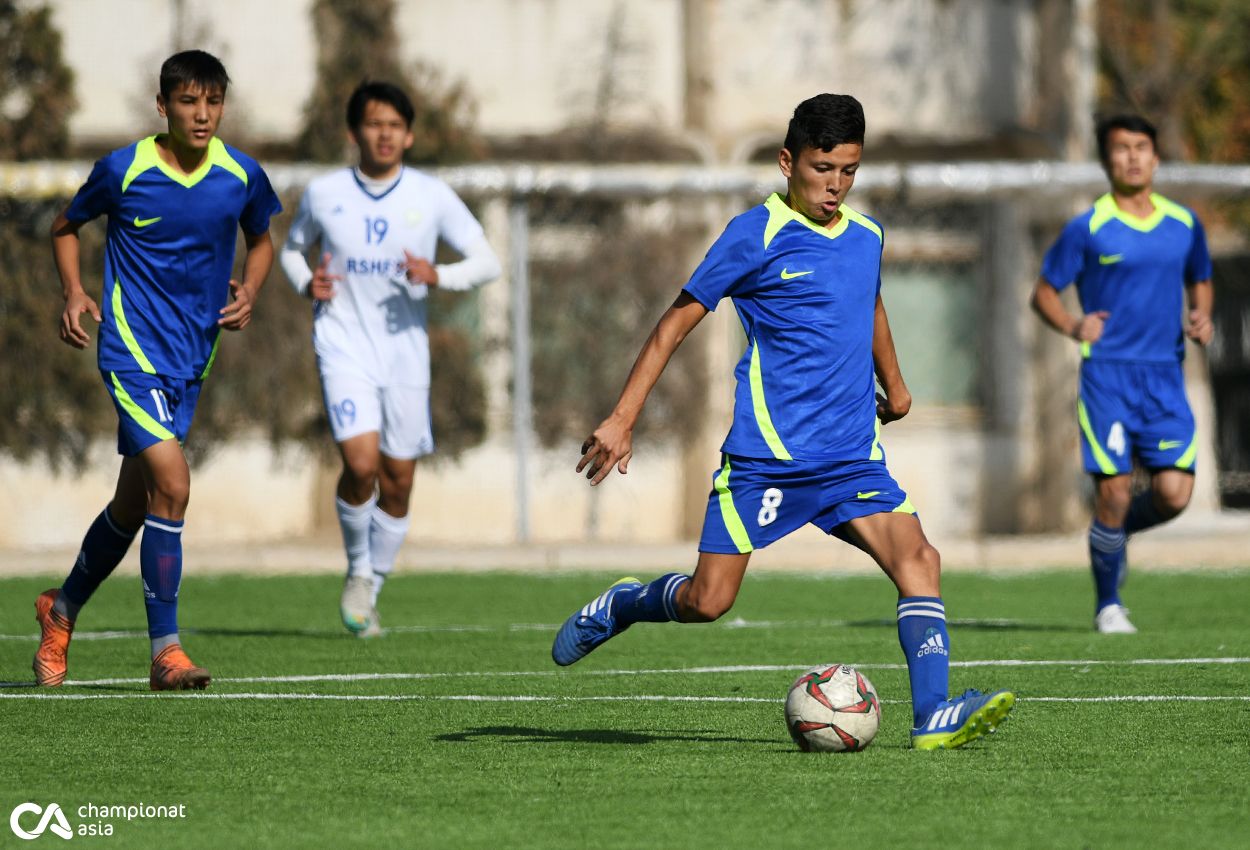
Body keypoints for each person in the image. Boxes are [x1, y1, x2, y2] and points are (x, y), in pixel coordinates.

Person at [552, 94, 1015, 750]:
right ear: (787, 162)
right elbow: (673, 324)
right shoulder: (755, 235)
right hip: (768, 460)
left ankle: (932, 713)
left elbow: (871, 302)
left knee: (921, 559)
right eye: (823, 168)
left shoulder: (866, 236)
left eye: (849, 171)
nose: (835, 185)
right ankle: (626, 604)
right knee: (708, 602)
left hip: (851, 457)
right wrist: (623, 418)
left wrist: (899, 384)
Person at [35, 50, 282, 689]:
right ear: (163, 105)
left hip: (191, 358)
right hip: (129, 351)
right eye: (188, 102)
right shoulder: (124, 169)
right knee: (172, 484)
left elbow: (262, 238)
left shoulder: (240, 174)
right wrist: (73, 291)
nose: (202, 116)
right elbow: (66, 227)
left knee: (134, 503)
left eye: (213, 102)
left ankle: (60, 613)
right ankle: (166, 652)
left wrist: (251, 289)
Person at [280, 81, 500, 637]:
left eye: (395, 126)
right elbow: (290, 248)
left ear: (409, 134)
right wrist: (309, 282)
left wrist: (439, 274)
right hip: (343, 344)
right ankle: (357, 571)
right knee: (360, 465)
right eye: (375, 124)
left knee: (398, 481)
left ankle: (371, 588)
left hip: (404, 353)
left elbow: (485, 260)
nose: (385, 134)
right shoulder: (325, 192)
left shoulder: (429, 195)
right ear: (355, 132)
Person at [1031, 115, 1213, 634]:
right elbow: (1044, 291)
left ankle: (1118, 535)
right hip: (1107, 377)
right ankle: (1108, 604)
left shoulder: (1184, 223)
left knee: (1176, 494)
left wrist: (1201, 314)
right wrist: (1072, 323)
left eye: (1140, 148)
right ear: (1107, 161)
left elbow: (1201, 279)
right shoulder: (1087, 226)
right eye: (1120, 149)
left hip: (1165, 376)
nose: (1132, 157)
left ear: (1155, 158)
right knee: (1112, 490)